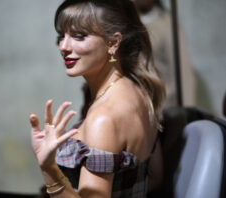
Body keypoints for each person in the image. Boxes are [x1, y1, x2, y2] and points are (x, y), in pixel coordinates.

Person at [29, 0, 166, 197]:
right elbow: (155, 177)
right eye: (61, 36)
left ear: (113, 43)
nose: (64, 46)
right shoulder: (140, 92)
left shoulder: (103, 118)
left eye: (79, 36)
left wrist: (49, 169)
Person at [133, 0, 196, 107]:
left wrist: (187, 110)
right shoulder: (128, 22)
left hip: (161, 106)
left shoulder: (167, 25)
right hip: (134, 100)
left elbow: (183, 72)